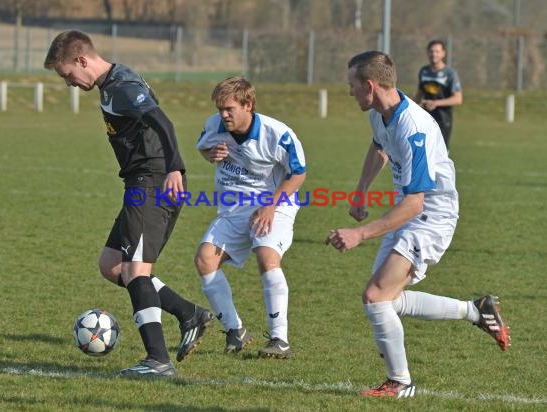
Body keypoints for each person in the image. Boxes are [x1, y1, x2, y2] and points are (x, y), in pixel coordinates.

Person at [326, 51, 510, 398]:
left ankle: (400, 383)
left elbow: (416, 202)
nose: (349, 92)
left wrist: (359, 234)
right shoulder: (381, 113)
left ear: (369, 85)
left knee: (376, 296)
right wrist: (361, 191)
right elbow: (379, 146)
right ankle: (476, 310)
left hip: (430, 217)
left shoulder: (414, 128)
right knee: (385, 301)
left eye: (351, 86)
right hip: (409, 212)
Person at [44, 30, 213, 378]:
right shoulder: (114, 82)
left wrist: (175, 168)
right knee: (112, 265)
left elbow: (161, 121)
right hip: (139, 184)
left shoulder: (121, 87)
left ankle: (157, 360)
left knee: (136, 270)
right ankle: (188, 313)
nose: (69, 83)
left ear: (82, 60)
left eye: (67, 75)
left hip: (151, 183)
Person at [195, 76, 306, 359]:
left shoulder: (277, 133)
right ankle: (235, 330)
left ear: (249, 105)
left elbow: (298, 173)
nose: (223, 114)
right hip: (233, 207)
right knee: (205, 260)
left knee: (267, 256)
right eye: (220, 108)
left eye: (230, 108)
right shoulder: (214, 125)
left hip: (274, 203)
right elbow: (202, 146)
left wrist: (270, 205)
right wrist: (210, 154)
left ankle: (279, 339)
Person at [415, 39, 462, 149]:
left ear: (443, 53)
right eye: (431, 51)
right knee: (424, 150)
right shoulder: (424, 71)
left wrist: (436, 103)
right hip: (425, 118)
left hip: (443, 119)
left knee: (441, 152)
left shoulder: (450, 73)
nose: (434, 54)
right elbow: (419, 94)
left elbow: (458, 99)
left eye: (437, 51)